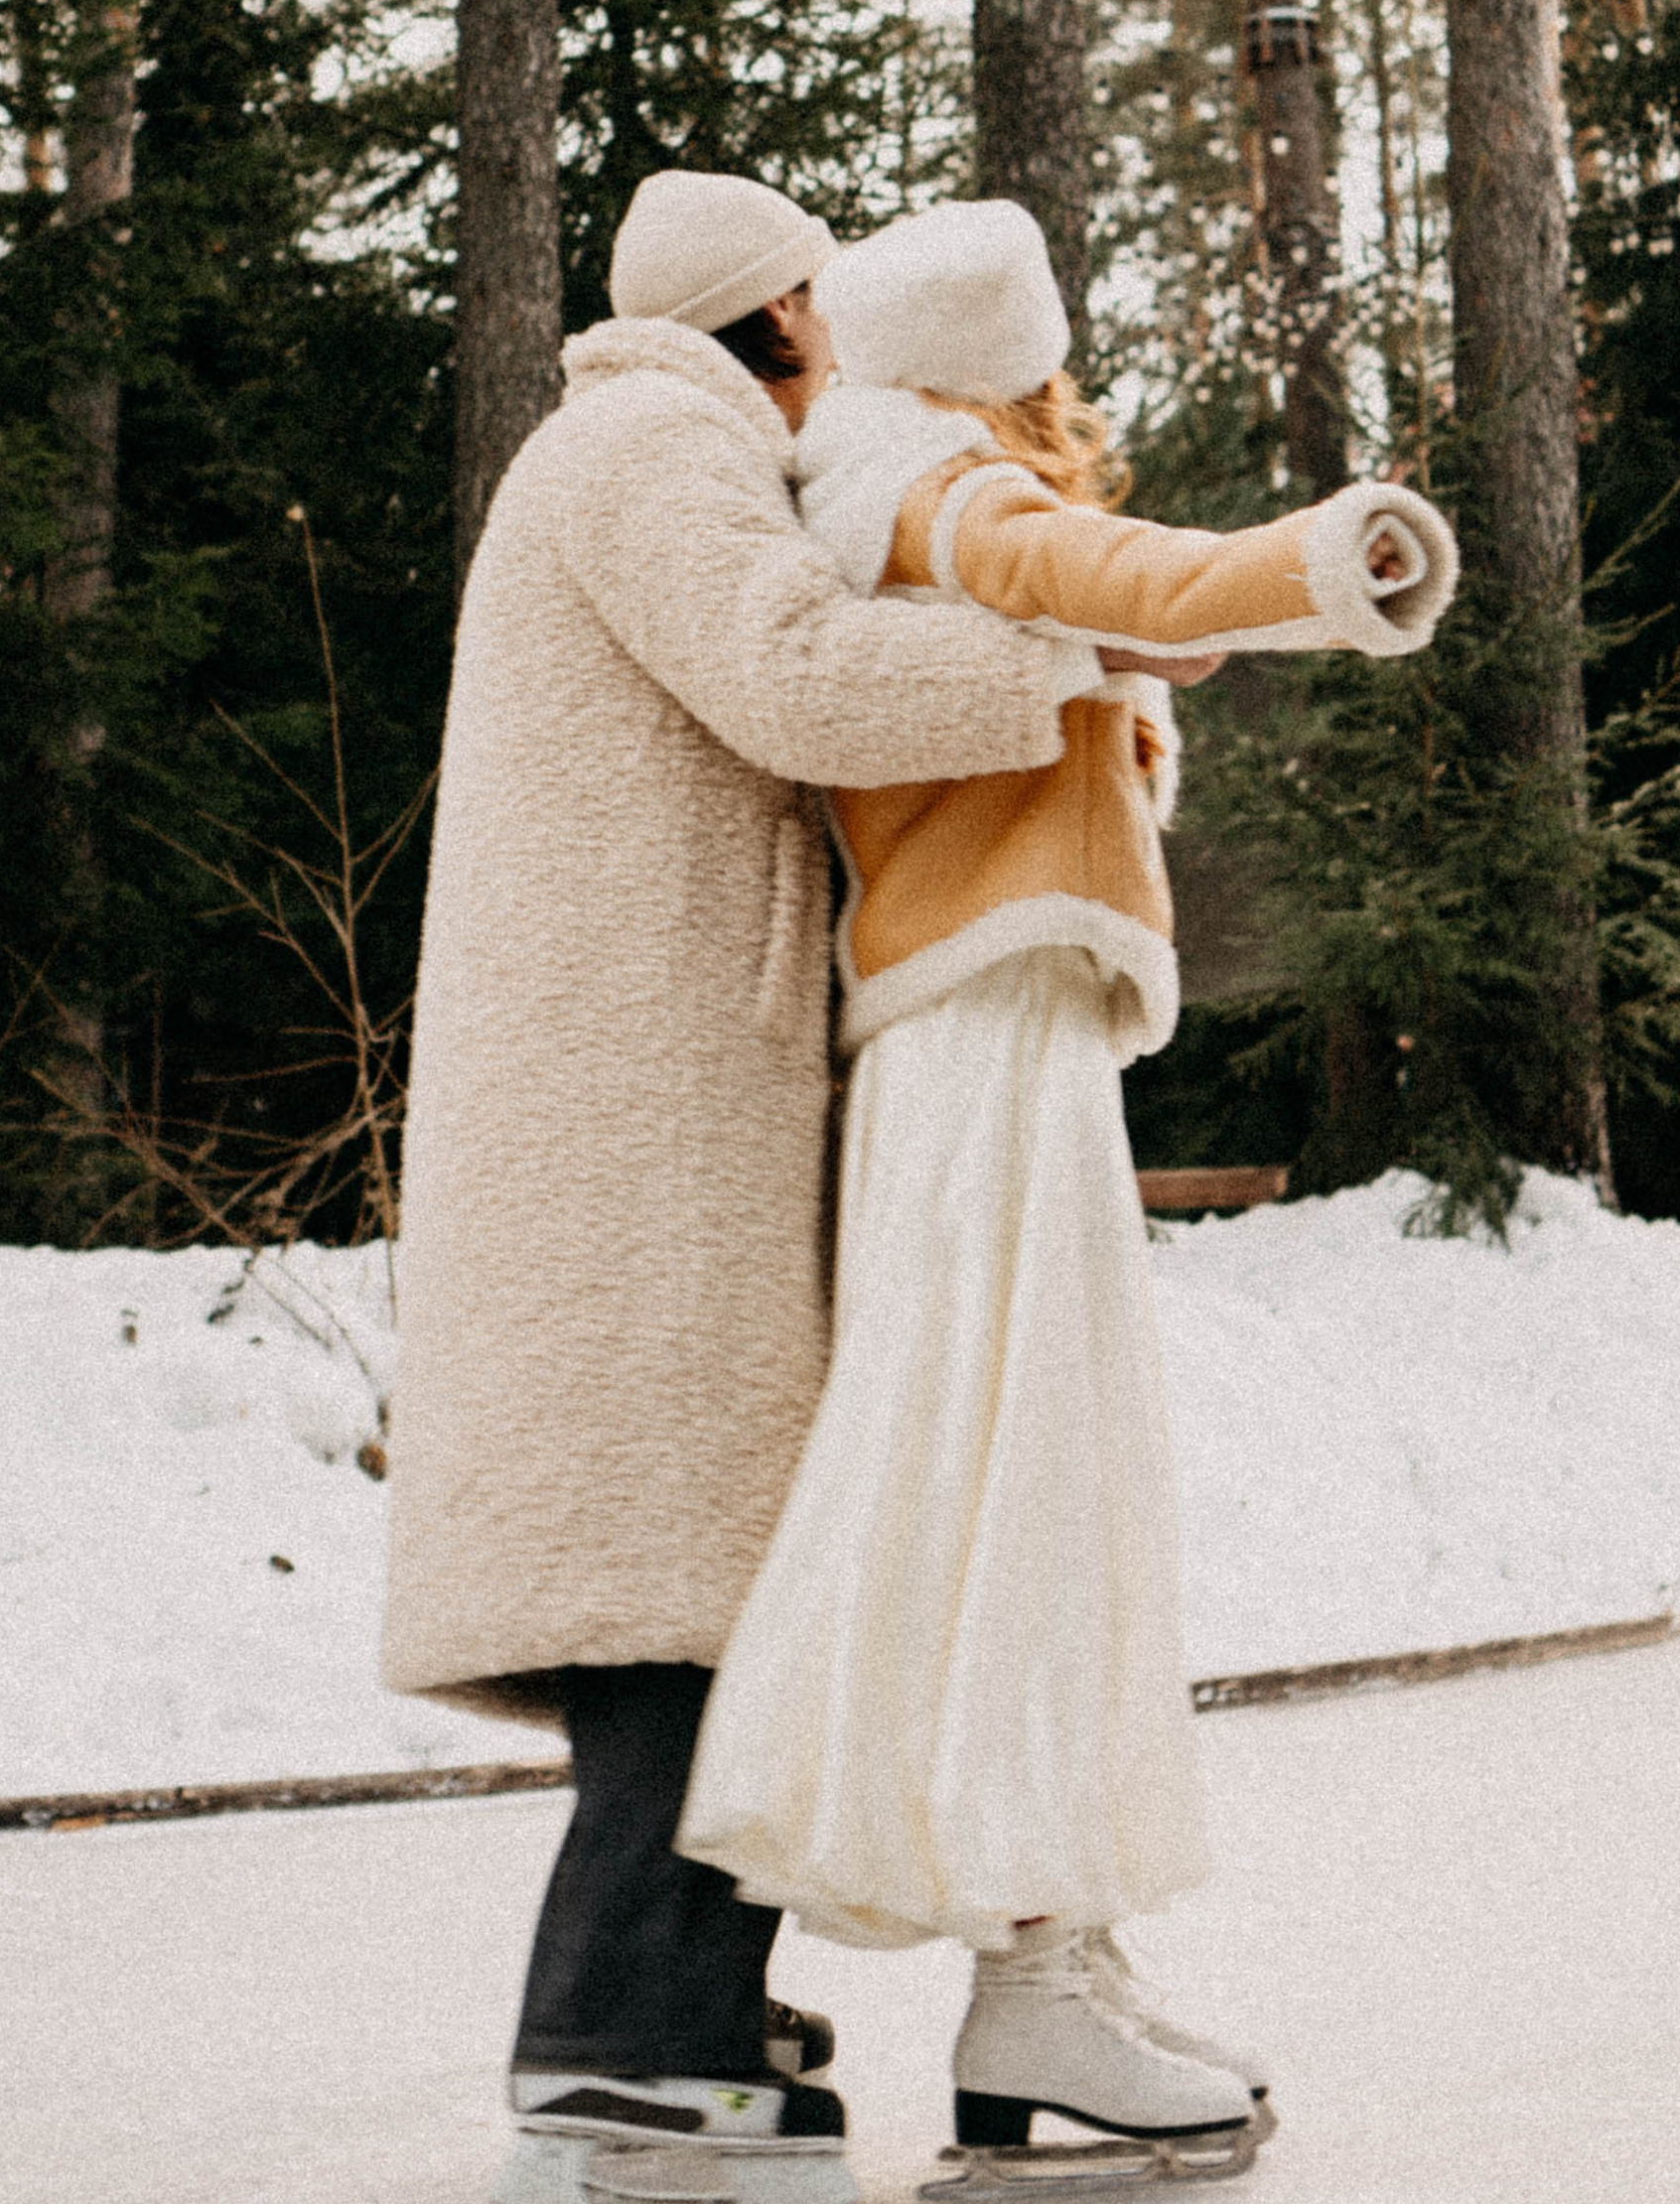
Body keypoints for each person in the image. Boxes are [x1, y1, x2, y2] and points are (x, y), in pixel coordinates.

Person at [680, 199, 1458, 2176]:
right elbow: (1090, 563)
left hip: (1002, 1035)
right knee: (1008, 1488)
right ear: (988, 359)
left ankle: (1047, 1974)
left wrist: (1308, 593)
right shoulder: (921, 478)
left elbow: (1119, 607)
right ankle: (1031, 1983)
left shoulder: (909, 483)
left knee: (1034, 1487)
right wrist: (1310, 549)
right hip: (976, 1040)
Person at [380, 172, 1132, 2184]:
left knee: (719, 1574)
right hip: (624, 1136)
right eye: (826, 302)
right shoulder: (643, 445)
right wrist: (1058, 659)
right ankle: (616, 2025)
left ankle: (679, 1999)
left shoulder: (651, 448)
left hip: (650, 1116)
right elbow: (790, 672)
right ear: (779, 314)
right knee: (673, 1590)